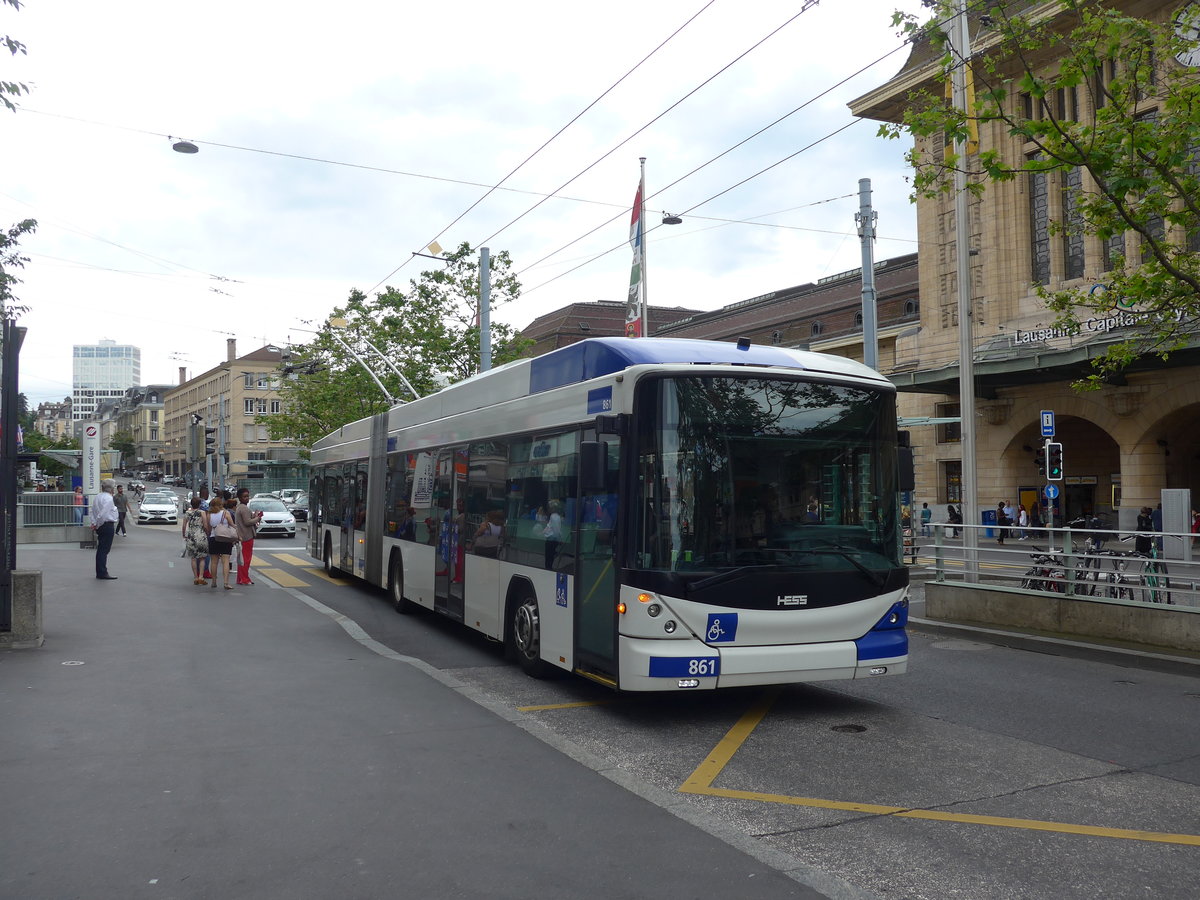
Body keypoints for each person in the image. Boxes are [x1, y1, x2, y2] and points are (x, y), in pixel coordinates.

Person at [206, 497, 239, 590]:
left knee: (214, 562)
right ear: (221, 504)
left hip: (213, 538)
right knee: (226, 561)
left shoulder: (209, 515)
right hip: (225, 538)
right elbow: (232, 525)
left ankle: (213, 582)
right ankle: (226, 583)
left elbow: (208, 529)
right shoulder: (225, 513)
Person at [89, 478, 119, 579]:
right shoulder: (109, 498)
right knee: (104, 550)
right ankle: (102, 572)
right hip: (106, 525)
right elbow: (103, 514)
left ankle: (100, 571)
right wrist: (97, 523)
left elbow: (92, 511)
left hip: (101, 525)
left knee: (101, 549)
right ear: (111, 488)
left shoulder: (98, 496)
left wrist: (94, 523)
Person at [235, 487, 263, 585]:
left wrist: (254, 516)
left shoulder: (239, 507)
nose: (247, 498)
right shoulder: (244, 508)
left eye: (247, 496)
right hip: (246, 536)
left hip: (241, 536)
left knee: (241, 559)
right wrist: (257, 518)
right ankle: (245, 579)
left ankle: (240, 578)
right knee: (246, 559)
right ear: (240, 497)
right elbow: (247, 522)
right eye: (244, 496)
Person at [182, 496, 210, 584]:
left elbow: (184, 526)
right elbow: (205, 525)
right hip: (201, 536)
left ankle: (195, 577)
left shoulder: (187, 513)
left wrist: (184, 535)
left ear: (191, 504)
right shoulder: (202, 512)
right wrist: (207, 533)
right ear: (199, 504)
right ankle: (201, 577)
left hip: (191, 537)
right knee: (202, 558)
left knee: (193, 558)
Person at [542, 499, 563, 569]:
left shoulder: (554, 517)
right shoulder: (554, 516)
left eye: (550, 507)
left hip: (552, 540)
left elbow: (556, 530)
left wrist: (559, 539)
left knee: (549, 557)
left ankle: (548, 569)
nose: (549, 509)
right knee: (549, 557)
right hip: (552, 540)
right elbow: (550, 527)